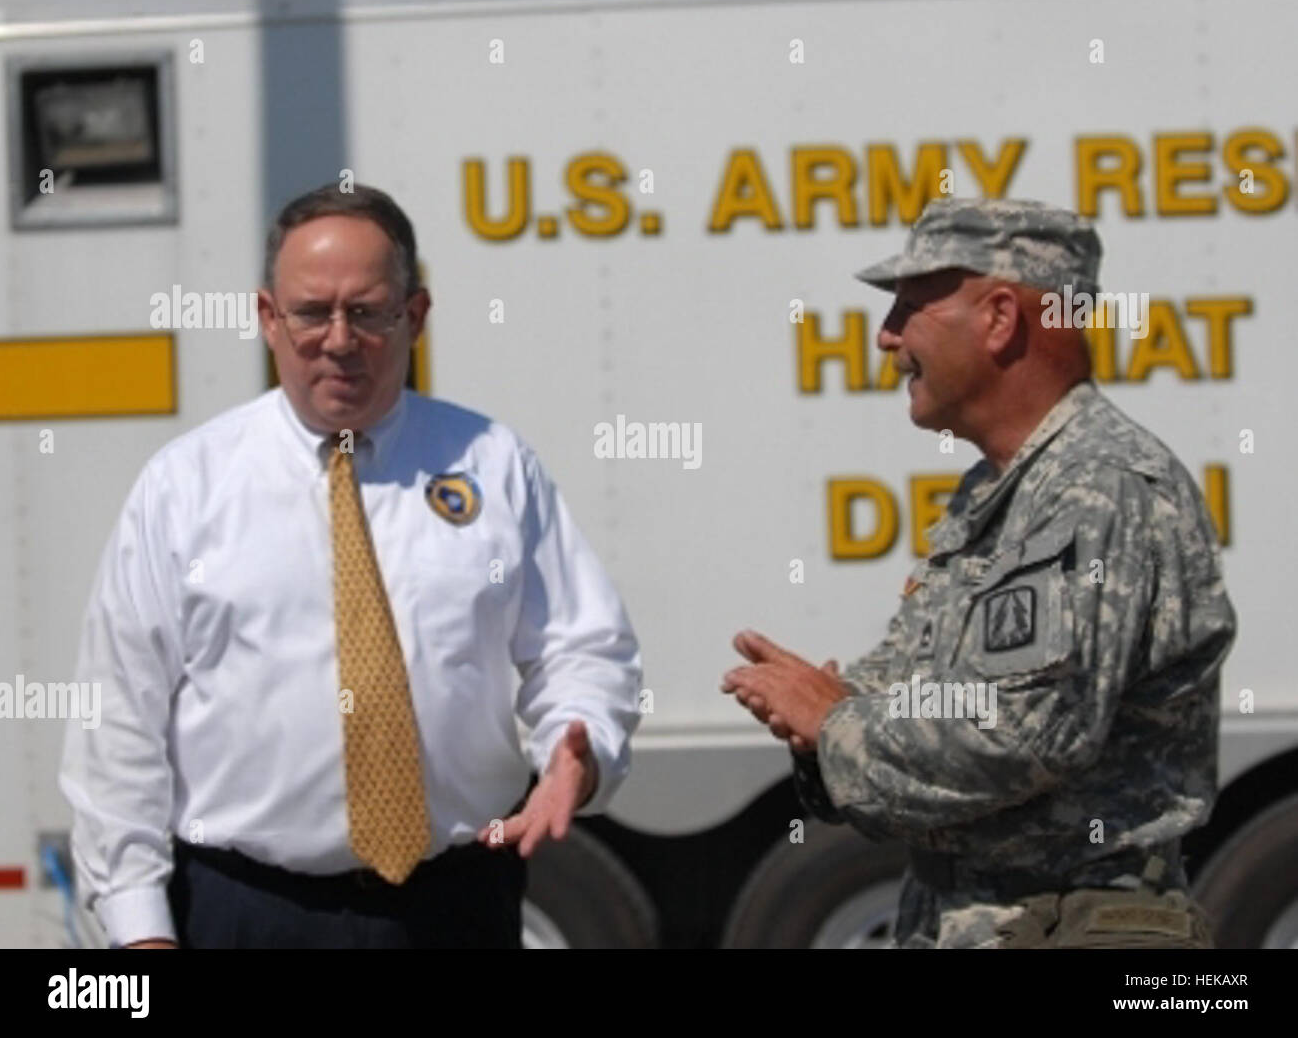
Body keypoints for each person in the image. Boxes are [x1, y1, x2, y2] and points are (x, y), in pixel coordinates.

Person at [61, 183, 642, 949]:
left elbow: (581, 647)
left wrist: (582, 748)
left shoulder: (494, 465)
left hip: (457, 907)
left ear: (417, 316)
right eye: (311, 312)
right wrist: (141, 931)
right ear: (268, 318)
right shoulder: (186, 489)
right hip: (245, 913)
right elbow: (118, 723)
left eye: (368, 312)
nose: (339, 339)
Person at [722, 197, 1235, 948]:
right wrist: (824, 720)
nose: (887, 337)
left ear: (999, 318)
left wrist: (835, 724)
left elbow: (1026, 736)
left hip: (1081, 924)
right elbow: (926, 689)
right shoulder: (1000, 492)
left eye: (909, 307)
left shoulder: (1100, 486)